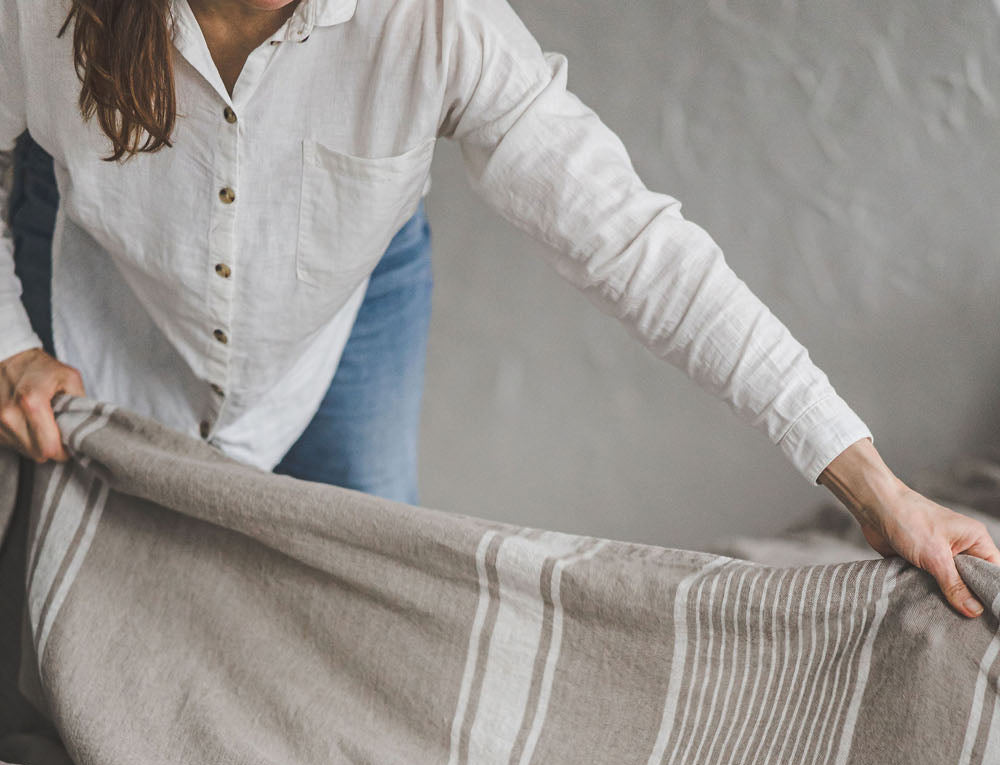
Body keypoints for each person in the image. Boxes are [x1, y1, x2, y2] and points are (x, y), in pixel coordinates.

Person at [1, 0, 998, 615]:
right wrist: (6, 344)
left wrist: (873, 488)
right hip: (98, 279)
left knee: (358, 609)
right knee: (71, 600)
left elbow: (636, 244)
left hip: (344, 301)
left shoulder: (443, 20)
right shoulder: (40, 13)